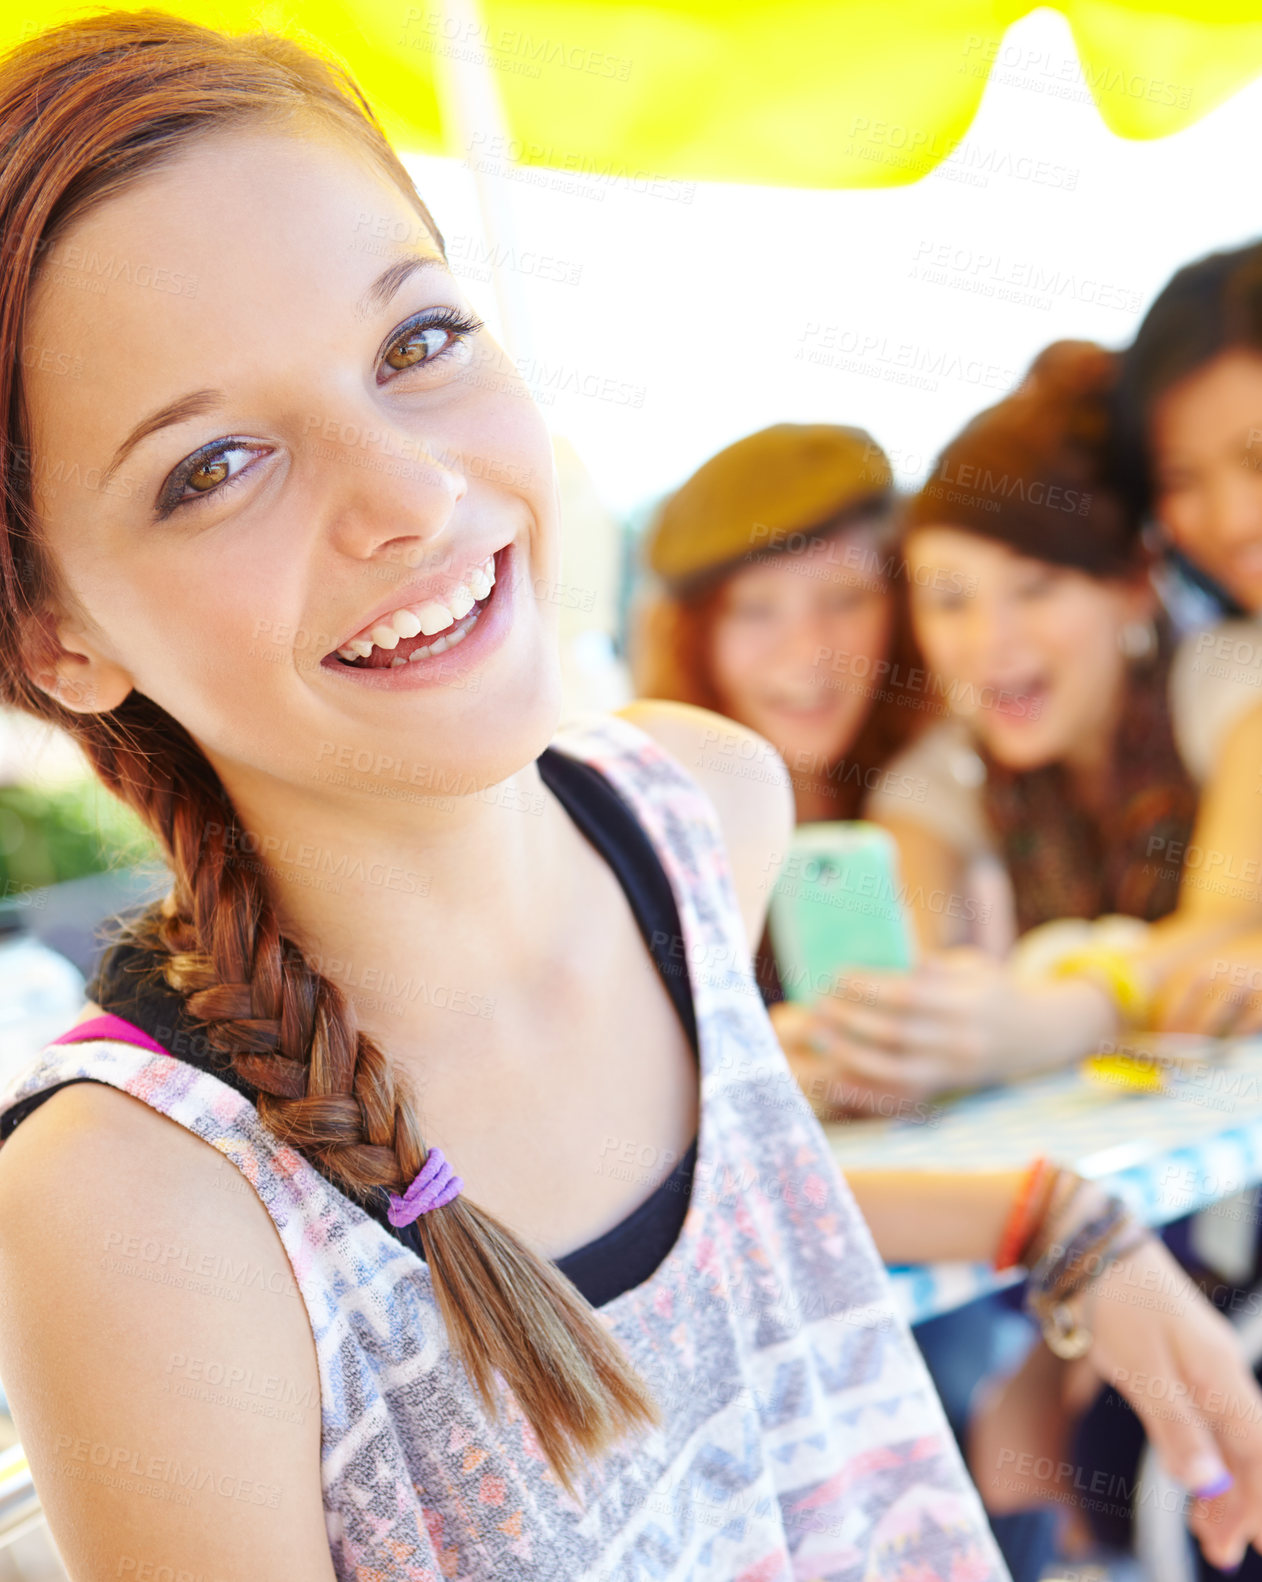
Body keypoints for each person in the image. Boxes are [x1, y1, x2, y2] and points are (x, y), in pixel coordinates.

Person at [0, 16, 1257, 1580]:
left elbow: (719, 1257)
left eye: (417, 341)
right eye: (215, 465)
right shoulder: (137, 1201)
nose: (409, 495)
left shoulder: (698, 817)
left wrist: (1049, 1215)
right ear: (57, 635)